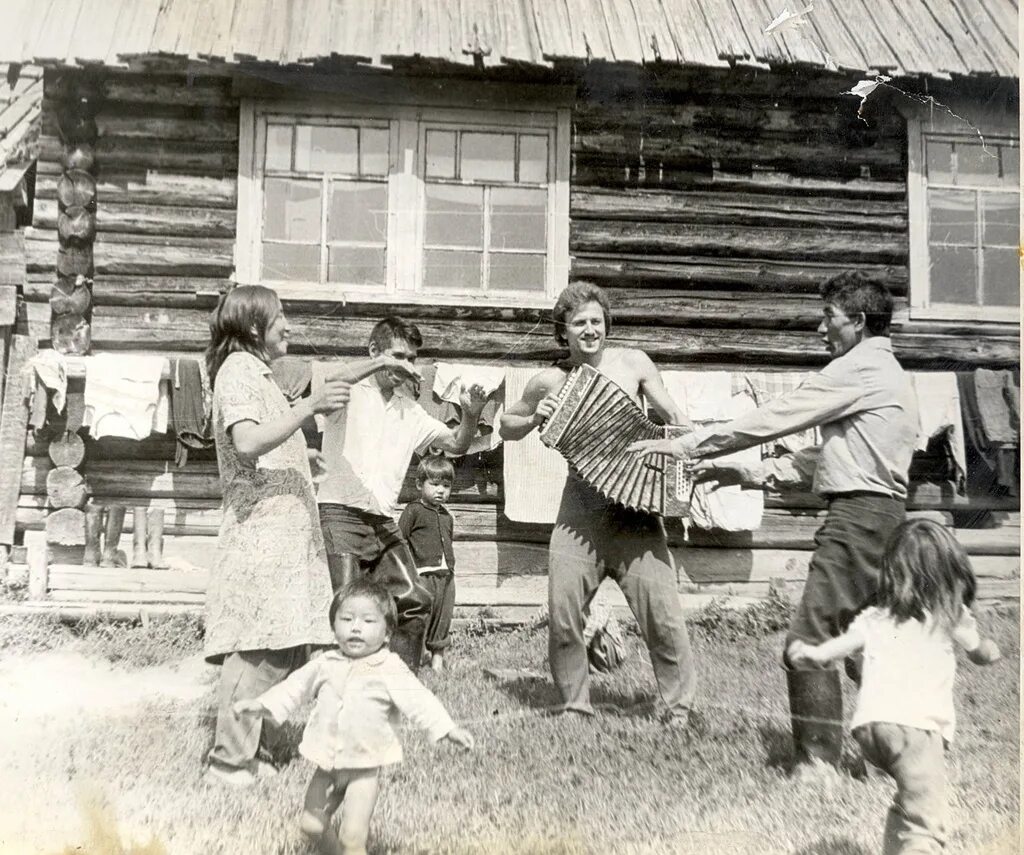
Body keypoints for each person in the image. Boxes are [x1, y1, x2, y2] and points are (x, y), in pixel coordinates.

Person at [631, 271, 920, 774]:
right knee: (863, 646)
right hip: (882, 518)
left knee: (808, 643)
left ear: (857, 321)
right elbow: (825, 459)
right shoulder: (889, 373)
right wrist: (740, 470)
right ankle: (904, 751)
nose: (819, 329)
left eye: (827, 317)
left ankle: (817, 766)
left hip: (857, 519)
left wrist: (684, 443)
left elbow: (775, 418)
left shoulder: (859, 368)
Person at [499, 281, 697, 725]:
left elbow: (676, 420)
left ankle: (678, 709)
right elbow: (506, 425)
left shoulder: (634, 363)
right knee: (565, 608)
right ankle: (574, 705)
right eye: (579, 323)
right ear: (563, 332)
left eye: (597, 321)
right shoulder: (550, 379)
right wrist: (535, 417)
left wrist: (680, 460)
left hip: (635, 509)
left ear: (607, 324)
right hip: (581, 508)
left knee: (661, 613)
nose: (590, 330)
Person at [203, 285, 350, 788]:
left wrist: (296, 454)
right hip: (260, 533)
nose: (288, 325)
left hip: (284, 531)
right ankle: (228, 761)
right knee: (257, 647)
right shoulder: (239, 371)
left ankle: (255, 749)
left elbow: (265, 437)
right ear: (252, 329)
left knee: (285, 645)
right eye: (280, 316)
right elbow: (245, 441)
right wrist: (309, 408)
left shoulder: (257, 374)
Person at [789, 520, 1002, 854]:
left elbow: (840, 646)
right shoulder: (948, 614)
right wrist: (992, 651)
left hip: (871, 732)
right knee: (927, 821)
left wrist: (812, 652)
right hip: (916, 732)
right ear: (950, 573)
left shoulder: (877, 616)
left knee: (906, 802)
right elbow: (980, 652)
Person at [234, 578, 474, 855]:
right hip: (326, 765)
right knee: (311, 826)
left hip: (364, 770)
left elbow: (419, 700)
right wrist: (261, 705)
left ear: (387, 634)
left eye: (368, 621)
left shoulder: (389, 668)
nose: (356, 627)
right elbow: (293, 688)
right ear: (334, 627)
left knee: (352, 838)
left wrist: (447, 728)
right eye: (347, 619)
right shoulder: (325, 664)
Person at [316, 317, 487, 672]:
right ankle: (340, 694)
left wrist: (470, 415)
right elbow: (330, 382)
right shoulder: (347, 393)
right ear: (374, 351)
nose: (405, 366)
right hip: (339, 513)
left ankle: (398, 687)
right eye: (398, 356)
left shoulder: (410, 410)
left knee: (415, 599)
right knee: (347, 609)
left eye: (411, 359)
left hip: (381, 519)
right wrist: (382, 363)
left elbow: (456, 443)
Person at [398, 454, 458, 672]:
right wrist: (408, 571)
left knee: (443, 617)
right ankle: (415, 656)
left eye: (446, 485)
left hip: (445, 575)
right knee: (422, 615)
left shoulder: (447, 516)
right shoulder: (413, 511)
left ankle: (437, 661)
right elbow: (400, 540)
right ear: (419, 484)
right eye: (434, 484)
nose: (440, 490)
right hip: (422, 575)